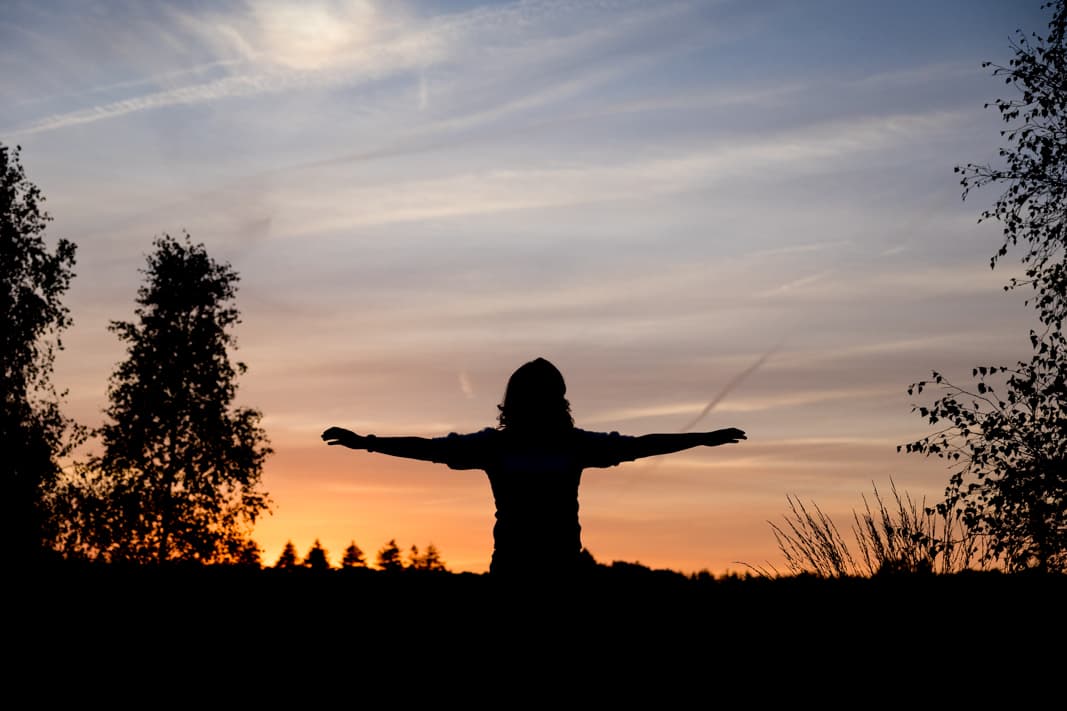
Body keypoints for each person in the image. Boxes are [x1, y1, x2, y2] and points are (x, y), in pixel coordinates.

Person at [322, 357, 746, 580]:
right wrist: (368, 444)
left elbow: (639, 447)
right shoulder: (516, 445)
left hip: (550, 569)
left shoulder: (549, 445)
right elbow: (428, 450)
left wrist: (701, 438)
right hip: (520, 570)